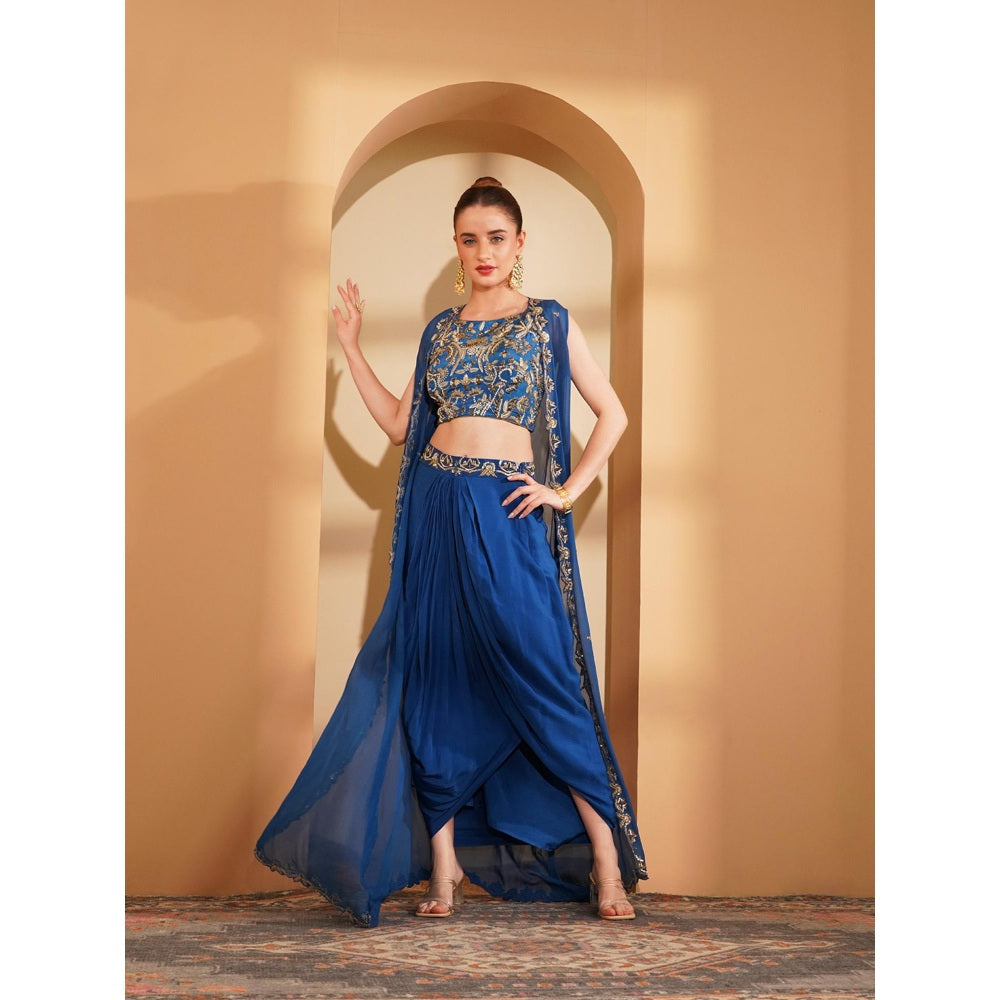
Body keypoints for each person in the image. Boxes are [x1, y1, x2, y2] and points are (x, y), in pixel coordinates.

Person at [255, 177, 647, 927]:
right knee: (433, 683)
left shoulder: (549, 322)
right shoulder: (439, 331)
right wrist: (351, 348)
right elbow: (402, 427)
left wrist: (566, 490)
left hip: (506, 511)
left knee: (547, 678)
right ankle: (444, 869)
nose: (483, 252)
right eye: (470, 239)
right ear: (457, 247)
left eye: (496, 238)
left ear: (520, 243)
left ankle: (605, 862)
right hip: (436, 509)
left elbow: (614, 413)